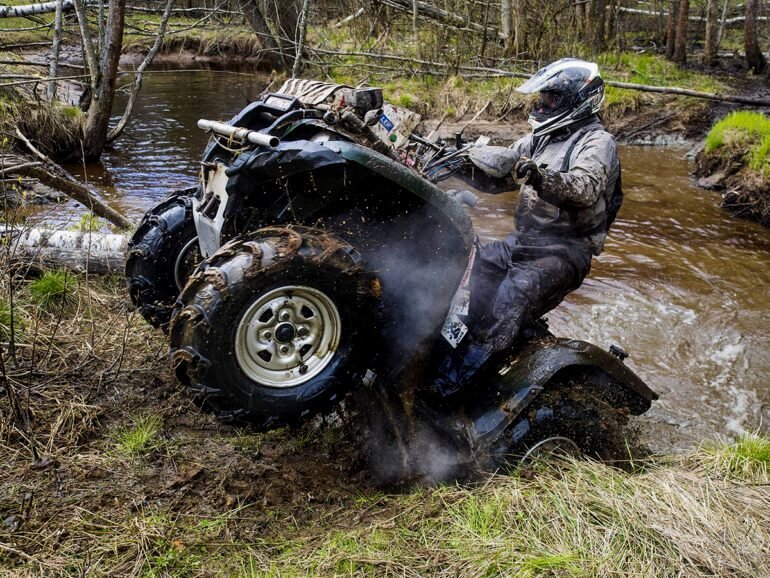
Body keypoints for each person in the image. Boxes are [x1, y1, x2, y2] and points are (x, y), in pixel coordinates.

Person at [432, 58, 623, 397]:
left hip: (563, 253)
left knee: (510, 299)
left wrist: (535, 174)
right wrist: (454, 163)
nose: (542, 104)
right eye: (543, 97)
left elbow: (584, 189)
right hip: (522, 242)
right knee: (465, 263)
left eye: (551, 98)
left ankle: (449, 389)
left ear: (578, 100)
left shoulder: (598, 142)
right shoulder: (541, 138)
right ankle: (440, 350)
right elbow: (498, 176)